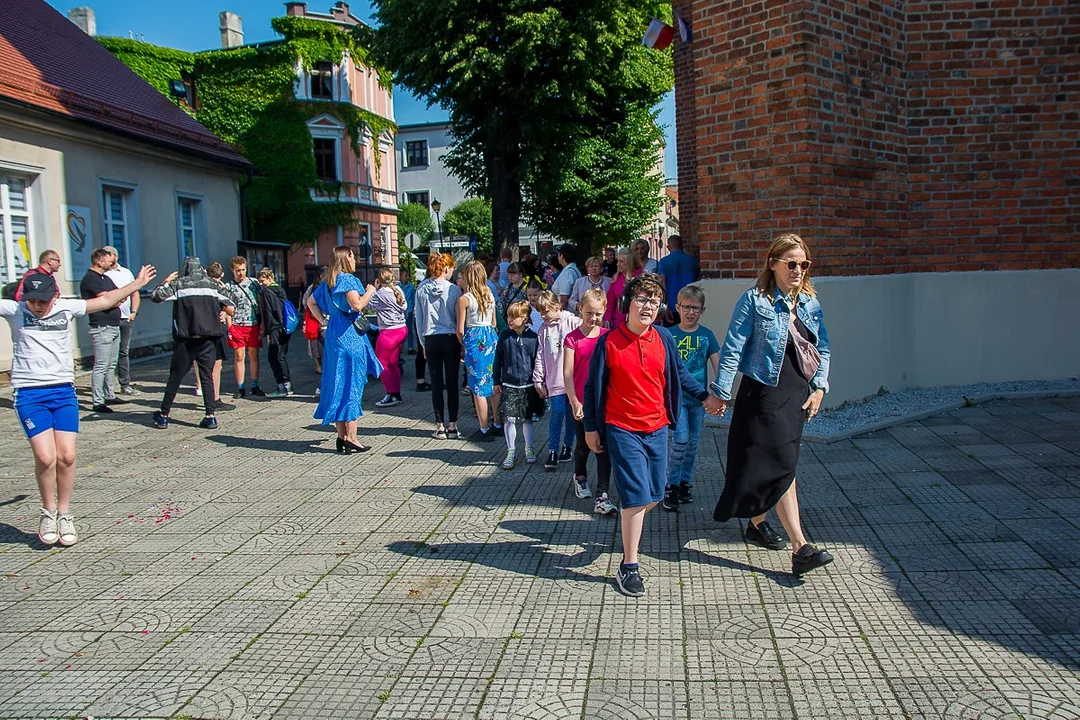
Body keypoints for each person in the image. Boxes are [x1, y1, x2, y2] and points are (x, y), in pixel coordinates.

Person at [583, 274, 723, 597]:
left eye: (654, 301)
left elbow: (681, 375)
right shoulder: (608, 342)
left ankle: (630, 522)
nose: (648, 306)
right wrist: (592, 427)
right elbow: (592, 389)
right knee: (635, 496)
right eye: (642, 299)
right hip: (621, 428)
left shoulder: (663, 338)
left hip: (657, 427)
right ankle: (628, 566)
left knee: (656, 494)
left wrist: (705, 397)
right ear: (626, 304)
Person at [710, 232, 834, 577]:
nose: (798, 270)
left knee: (780, 459)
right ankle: (801, 547)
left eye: (803, 264)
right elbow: (733, 346)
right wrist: (721, 391)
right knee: (781, 462)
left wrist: (820, 388)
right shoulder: (755, 300)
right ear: (774, 264)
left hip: (796, 392)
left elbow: (822, 347)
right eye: (791, 263)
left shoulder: (810, 302)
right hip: (762, 391)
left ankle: (757, 522)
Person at [3, 267, 155, 546]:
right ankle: (48, 512)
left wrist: (137, 284)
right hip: (29, 395)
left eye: (43, 300)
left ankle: (65, 514)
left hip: (62, 393)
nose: (37, 305)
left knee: (68, 456)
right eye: (32, 300)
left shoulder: (65, 308)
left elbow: (106, 301)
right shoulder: (15, 310)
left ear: (54, 296)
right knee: (47, 458)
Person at [306, 246, 382, 453]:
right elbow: (357, 305)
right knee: (351, 383)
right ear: (346, 258)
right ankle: (352, 438)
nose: (355, 259)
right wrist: (369, 291)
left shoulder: (328, 281)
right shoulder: (347, 280)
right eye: (353, 256)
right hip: (349, 336)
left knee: (337, 382)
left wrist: (323, 319)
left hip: (333, 335)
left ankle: (341, 438)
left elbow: (310, 302)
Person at [150, 258, 235, 430]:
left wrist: (166, 281)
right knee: (207, 376)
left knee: (175, 377)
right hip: (209, 338)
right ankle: (210, 416)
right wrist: (221, 311)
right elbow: (232, 300)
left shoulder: (180, 284)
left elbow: (156, 296)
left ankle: (164, 415)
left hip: (186, 338)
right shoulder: (212, 284)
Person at [662, 284, 720, 511]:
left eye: (695, 308)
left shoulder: (707, 336)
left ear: (702, 310)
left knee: (693, 443)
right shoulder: (670, 335)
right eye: (686, 307)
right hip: (676, 398)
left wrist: (719, 393)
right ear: (677, 307)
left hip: (699, 399)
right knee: (680, 441)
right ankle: (670, 484)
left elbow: (718, 363)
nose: (690, 312)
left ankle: (684, 482)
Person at [563, 287, 616, 515]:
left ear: (604, 311)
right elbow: (567, 374)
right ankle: (580, 476)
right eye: (588, 313)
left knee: (603, 448)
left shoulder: (607, 336)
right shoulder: (572, 338)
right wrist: (574, 401)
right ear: (580, 309)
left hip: (603, 403)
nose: (593, 318)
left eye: (598, 313)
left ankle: (602, 492)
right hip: (581, 402)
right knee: (584, 445)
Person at [532, 290, 581, 471]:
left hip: (573, 379)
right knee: (557, 413)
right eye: (541, 313)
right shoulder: (543, 330)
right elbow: (540, 355)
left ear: (557, 306)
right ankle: (552, 449)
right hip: (554, 380)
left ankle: (568, 446)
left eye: (546, 312)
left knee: (571, 415)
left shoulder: (572, 322)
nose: (543, 316)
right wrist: (538, 379)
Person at [415, 252, 463, 439]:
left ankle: (439, 425)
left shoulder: (421, 288)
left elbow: (418, 319)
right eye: (451, 268)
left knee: (436, 383)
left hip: (431, 337)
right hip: (450, 337)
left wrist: (422, 343)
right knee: (452, 382)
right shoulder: (453, 290)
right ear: (446, 268)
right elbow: (458, 317)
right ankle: (453, 425)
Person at [493, 300, 540, 469]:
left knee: (527, 419)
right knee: (509, 419)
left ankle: (529, 448)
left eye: (513, 317)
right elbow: (497, 359)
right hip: (509, 383)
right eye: (508, 317)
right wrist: (496, 380)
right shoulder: (505, 336)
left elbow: (537, 361)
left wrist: (538, 381)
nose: (509, 320)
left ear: (525, 318)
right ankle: (511, 450)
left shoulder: (533, 338)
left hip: (527, 385)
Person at [456, 261, 499, 439]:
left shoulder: (464, 299)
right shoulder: (489, 294)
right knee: (493, 383)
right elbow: (495, 322)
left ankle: (484, 428)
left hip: (475, 338)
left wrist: (463, 345)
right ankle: (498, 422)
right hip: (490, 336)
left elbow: (459, 329)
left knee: (478, 387)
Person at [79, 248, 122, 414]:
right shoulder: (91, 278)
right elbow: (108, 300)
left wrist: (115, 298)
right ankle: (98, 401)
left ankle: (109, 394)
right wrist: (114, 299)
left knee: (111, 364)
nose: (110, 261)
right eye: (107, 259)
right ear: (99, 261)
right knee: (101, 365)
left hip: (113, 324)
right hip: (101, 326)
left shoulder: (106, 278)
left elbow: (119, 295)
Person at [101, 246, 140, 396]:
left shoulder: (125, 273)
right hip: (109, 319)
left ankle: (125, 384)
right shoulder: (102, 274)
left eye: (108, 255)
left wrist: (134, 312)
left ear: (115, 257)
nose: (106, 259)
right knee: (108, 355)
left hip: (126, 318)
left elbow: (135, 294)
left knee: (123, 352)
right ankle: (107, 389)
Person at [368, 268, 408, 408]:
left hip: (388, 332)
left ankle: (390, 394)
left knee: (381, 364)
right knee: (393, 364)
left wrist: (372, 290)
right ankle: (396, 394)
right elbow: (405, 307)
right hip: (401, 329)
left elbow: (366, 305)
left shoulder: (379, 294)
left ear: (378, 280)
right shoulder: (398, 290)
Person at [225, 256, 263, 398]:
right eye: (237, 271)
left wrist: (263, 323)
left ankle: (254, 384)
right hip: (237, 324)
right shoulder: (229, 286)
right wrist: (230, 327)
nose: (240, 273)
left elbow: (261, 303)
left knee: (253, 354)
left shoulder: (254, 283)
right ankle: (240, 387)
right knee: (239, 355)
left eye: (243, 270)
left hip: (253, 324)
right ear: (232, 270)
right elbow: (226, 307)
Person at [255, 268, 293, 398]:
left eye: (263, 280)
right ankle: (288, 385)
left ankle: (281, 386)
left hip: (275, 327)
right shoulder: (281, 290)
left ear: (269, 277)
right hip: (286, 326)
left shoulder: (266, 292)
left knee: (273, 357)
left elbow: (268, 313)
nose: (261, 284)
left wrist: (267, 331)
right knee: (282, 355)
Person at [656, 235, 701, 326]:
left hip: (672, 304)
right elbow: (698, 280)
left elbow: (662, 283)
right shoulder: (692, 260)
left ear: (668, 247)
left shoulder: (664, 262)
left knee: (672, 335)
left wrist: (665, 305)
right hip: (691, 302)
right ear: (682, 245)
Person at [604, 247, 643, 329]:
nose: (617, 264)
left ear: (629, 263)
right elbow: (610, 302)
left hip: (638, 322)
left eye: (621, 261)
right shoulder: (616, 278)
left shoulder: (641, 277)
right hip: (618, 324)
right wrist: (607, 318)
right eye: (618, 261)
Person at [303, 268, 328, 387]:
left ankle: (319, 365)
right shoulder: (319, 288)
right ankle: (320, 366)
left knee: (316, 344)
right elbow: (307, 302)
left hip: (317, 320)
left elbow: (305, 302)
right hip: (320, 320)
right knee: (319, 345)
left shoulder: (313, 288)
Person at [550, 244, 582, 311]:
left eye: (558, 255)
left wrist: (559, 315)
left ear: (561, 256)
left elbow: (564, 300)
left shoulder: (566, 273)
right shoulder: (575, 269)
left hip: (567, 312)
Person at [399, 268, 417, 354]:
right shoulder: (398, 287)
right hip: (400, 311)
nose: (407, 277)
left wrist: (414, 308)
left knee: (409, 330)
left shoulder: (411, 287)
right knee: (400, 330)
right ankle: (400, 347)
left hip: (409, 310)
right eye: (405, 276)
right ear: (401, 277)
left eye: (407, 276)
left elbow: (413, 298)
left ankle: (410, 347)